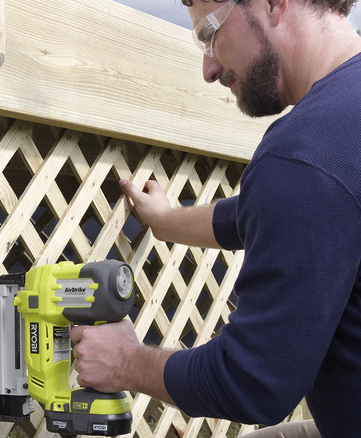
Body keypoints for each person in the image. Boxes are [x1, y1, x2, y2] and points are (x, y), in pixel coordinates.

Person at [69, 0, 361, 436]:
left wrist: (126, 360)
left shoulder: (304, 153)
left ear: (273, 4)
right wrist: (166, 222)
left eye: (209, 33)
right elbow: (281, 214)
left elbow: (254, 382)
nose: (208, 69)